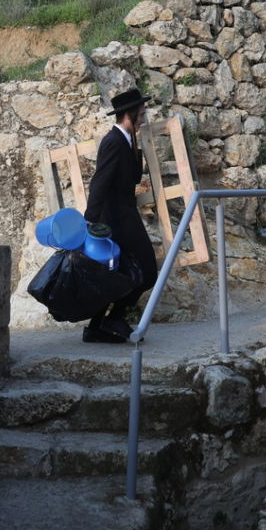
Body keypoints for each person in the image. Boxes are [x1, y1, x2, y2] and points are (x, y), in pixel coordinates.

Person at [82, 88, 159, 343]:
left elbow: (134, 178)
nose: (144, 117)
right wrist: (89, 221)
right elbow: (99, 183)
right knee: (148, 270)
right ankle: (112, 319)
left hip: (124, 216)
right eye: (141, 113)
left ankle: (96, 327)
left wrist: (136, 146)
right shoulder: (113, 141)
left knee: (120, 273)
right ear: (129, 114)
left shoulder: (126, 139)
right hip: (115, 220)